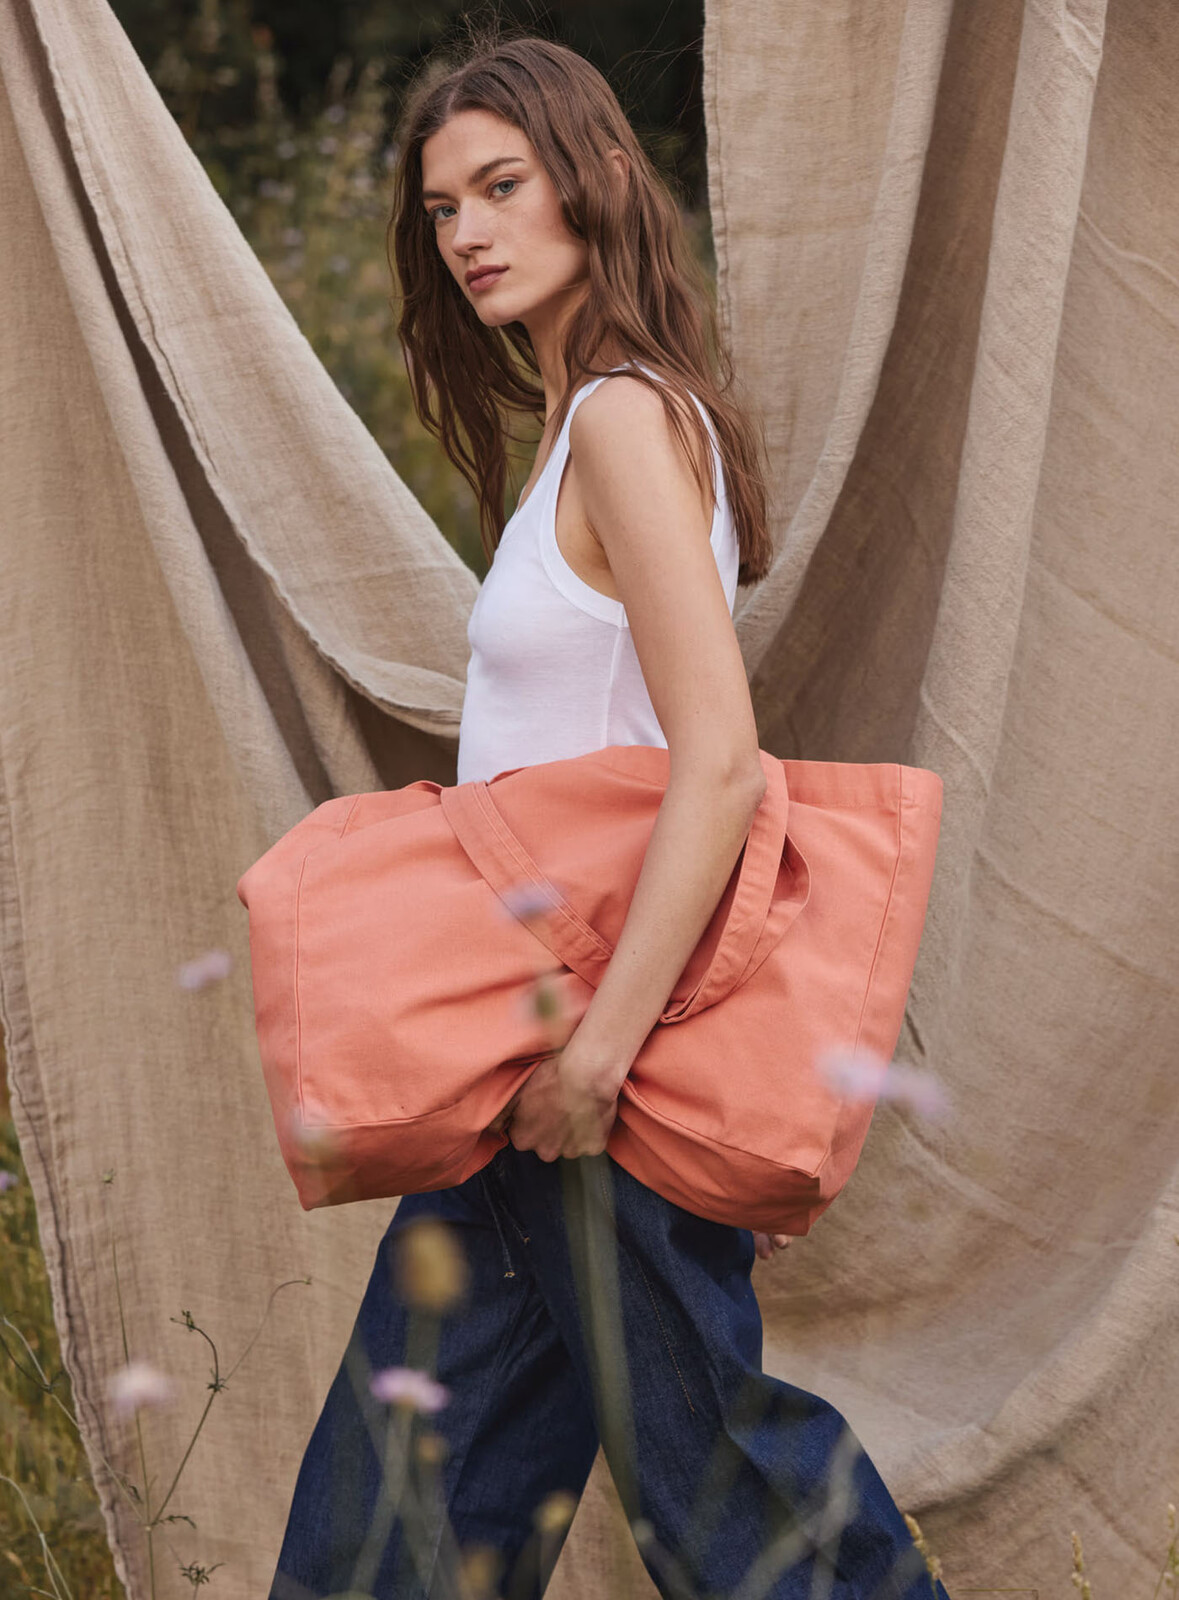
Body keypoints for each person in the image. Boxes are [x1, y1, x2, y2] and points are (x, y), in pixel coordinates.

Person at [269, 33, 951, 1600]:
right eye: (444, 208)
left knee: (734, 1509)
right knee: (399, 1531)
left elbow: (718, 764)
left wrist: (602, 1056)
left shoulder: (631, 421)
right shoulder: (588, 426)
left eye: (501, 185)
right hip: (530, 1064)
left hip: (590, 1061)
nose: (469, 232)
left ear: (594, 179)